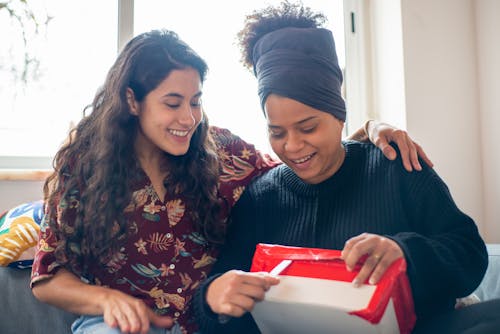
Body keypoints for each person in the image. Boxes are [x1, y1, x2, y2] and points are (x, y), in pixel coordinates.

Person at [30, 29, 430, 334]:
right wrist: (107, 300)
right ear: (133, 100)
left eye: (196, 101)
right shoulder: (82, 165)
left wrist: (371, 130)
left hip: (211, 323)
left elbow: (300, 161)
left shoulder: (220, 150)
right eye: (173, 103)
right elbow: (48, 278)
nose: (188, 118)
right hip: (122, 326)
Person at [194, 2, 497, 333]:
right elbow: (223, 299)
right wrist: (213, 297)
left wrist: (404, 253)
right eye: (276, 132)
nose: (292, 146)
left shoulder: (396, 167)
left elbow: (470, 256)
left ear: (340, 117)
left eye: (308, 128)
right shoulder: (260, 198)